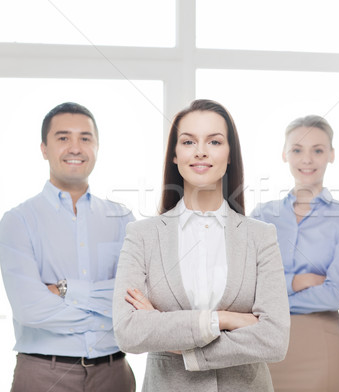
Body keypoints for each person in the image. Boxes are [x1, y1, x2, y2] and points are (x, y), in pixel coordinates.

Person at [112, 99, 290, 391]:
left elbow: (274, 340)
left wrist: (169, 334)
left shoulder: (261, 236)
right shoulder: (142, 236)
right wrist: (225, 319)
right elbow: (129, 332)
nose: (201, 151)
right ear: (174, 154)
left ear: (230, 154)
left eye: (215, 141)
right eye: (188, 141)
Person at [0, 102, 136, 392]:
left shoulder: (122, 219)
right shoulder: (19, 221)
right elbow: (30, 309)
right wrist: (108, 313)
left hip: (114, 374)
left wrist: (64, 290)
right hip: (42, 374)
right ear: (44, 149)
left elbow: (136, 298)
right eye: (63, 138)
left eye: (85, 138)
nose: (75, 147)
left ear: (97, 147)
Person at [252, 115, 339, 392]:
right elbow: (247, 284)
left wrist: (269, 299)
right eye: (297, 150)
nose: (307, 159)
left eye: (318, 150)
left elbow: (335, 294)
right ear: (284, 154)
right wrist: (296, 282)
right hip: (265, 345)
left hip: (321, 344)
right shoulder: (262, 216)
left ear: (331, 155)